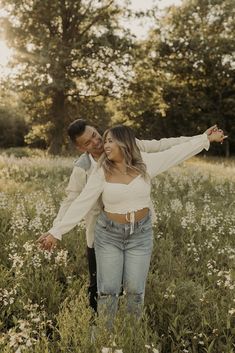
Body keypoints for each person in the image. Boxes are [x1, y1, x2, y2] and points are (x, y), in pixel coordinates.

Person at [38, 124, 226, 332]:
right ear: (81, 148)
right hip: (108, 234)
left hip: (140, 234)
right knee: (107, 290)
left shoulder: (145, 162)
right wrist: (56, 231)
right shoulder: (97, 170)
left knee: (136, 291)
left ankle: (131, 333)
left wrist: (204, 139)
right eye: (96, 141)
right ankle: (103, 333)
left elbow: (174, 151)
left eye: (107, 140)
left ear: (124, 144)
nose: (102, 144)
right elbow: (79, 201)